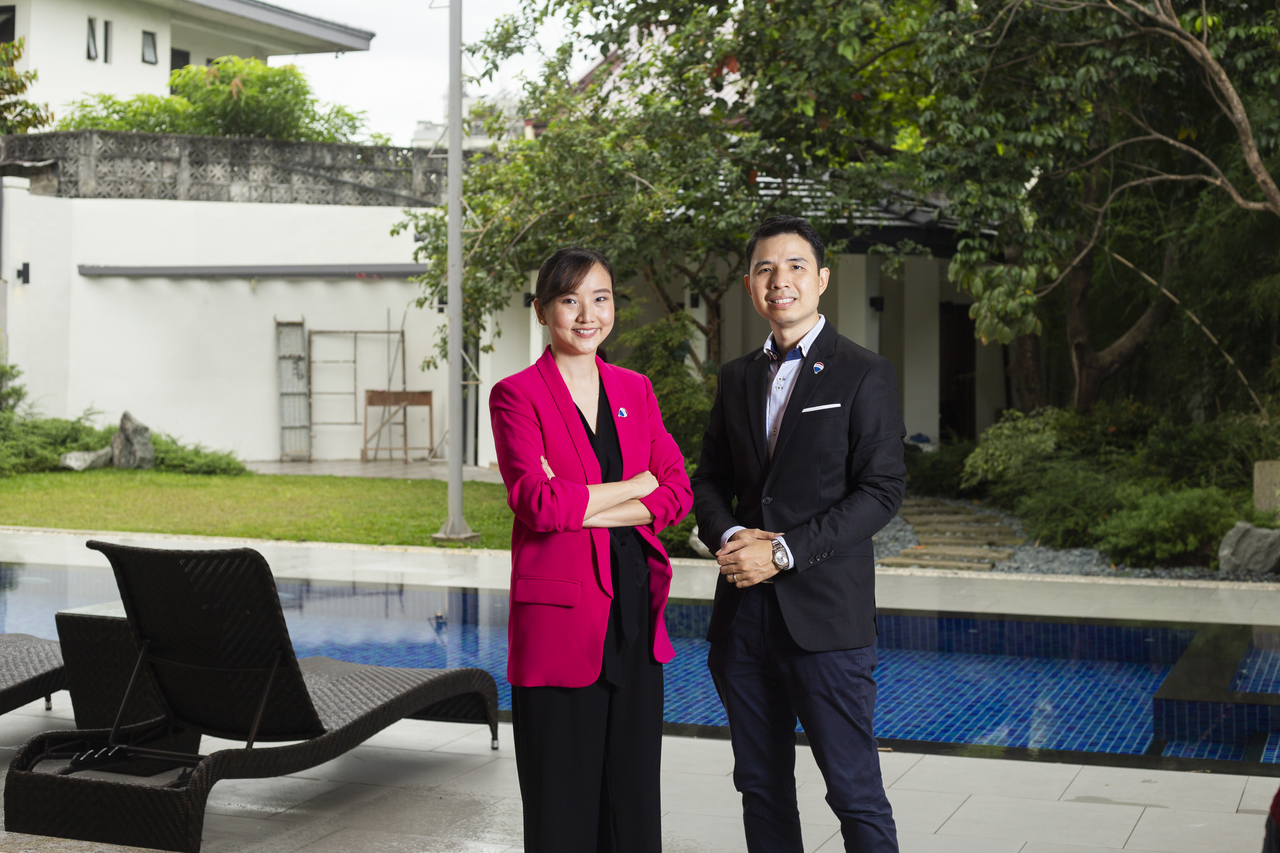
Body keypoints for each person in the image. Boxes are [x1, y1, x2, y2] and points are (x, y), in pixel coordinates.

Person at [691, 215, 907, 852]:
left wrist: (782, 552)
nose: (778, 280)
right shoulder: (736, 378)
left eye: (793, 267)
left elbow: (881, 491)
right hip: (744, 622)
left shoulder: (863, 373)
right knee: (760, 786)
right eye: (763, 269)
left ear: (821, 280)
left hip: (826, 624)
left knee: (853, 792)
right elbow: (707, 478)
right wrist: (731, 537)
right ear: (751, 287)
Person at [490, 246, 693, 853]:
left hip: (634, 617)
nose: (587, 315)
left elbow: (678, 495)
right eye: (569, 300)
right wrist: (633, 490)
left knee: (632, 803)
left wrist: (581, 501)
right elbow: (538, 505)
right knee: (563, 808)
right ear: (542, 311)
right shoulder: (516, 395)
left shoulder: (636, 389)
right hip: (559, 625)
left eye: (600, 299)